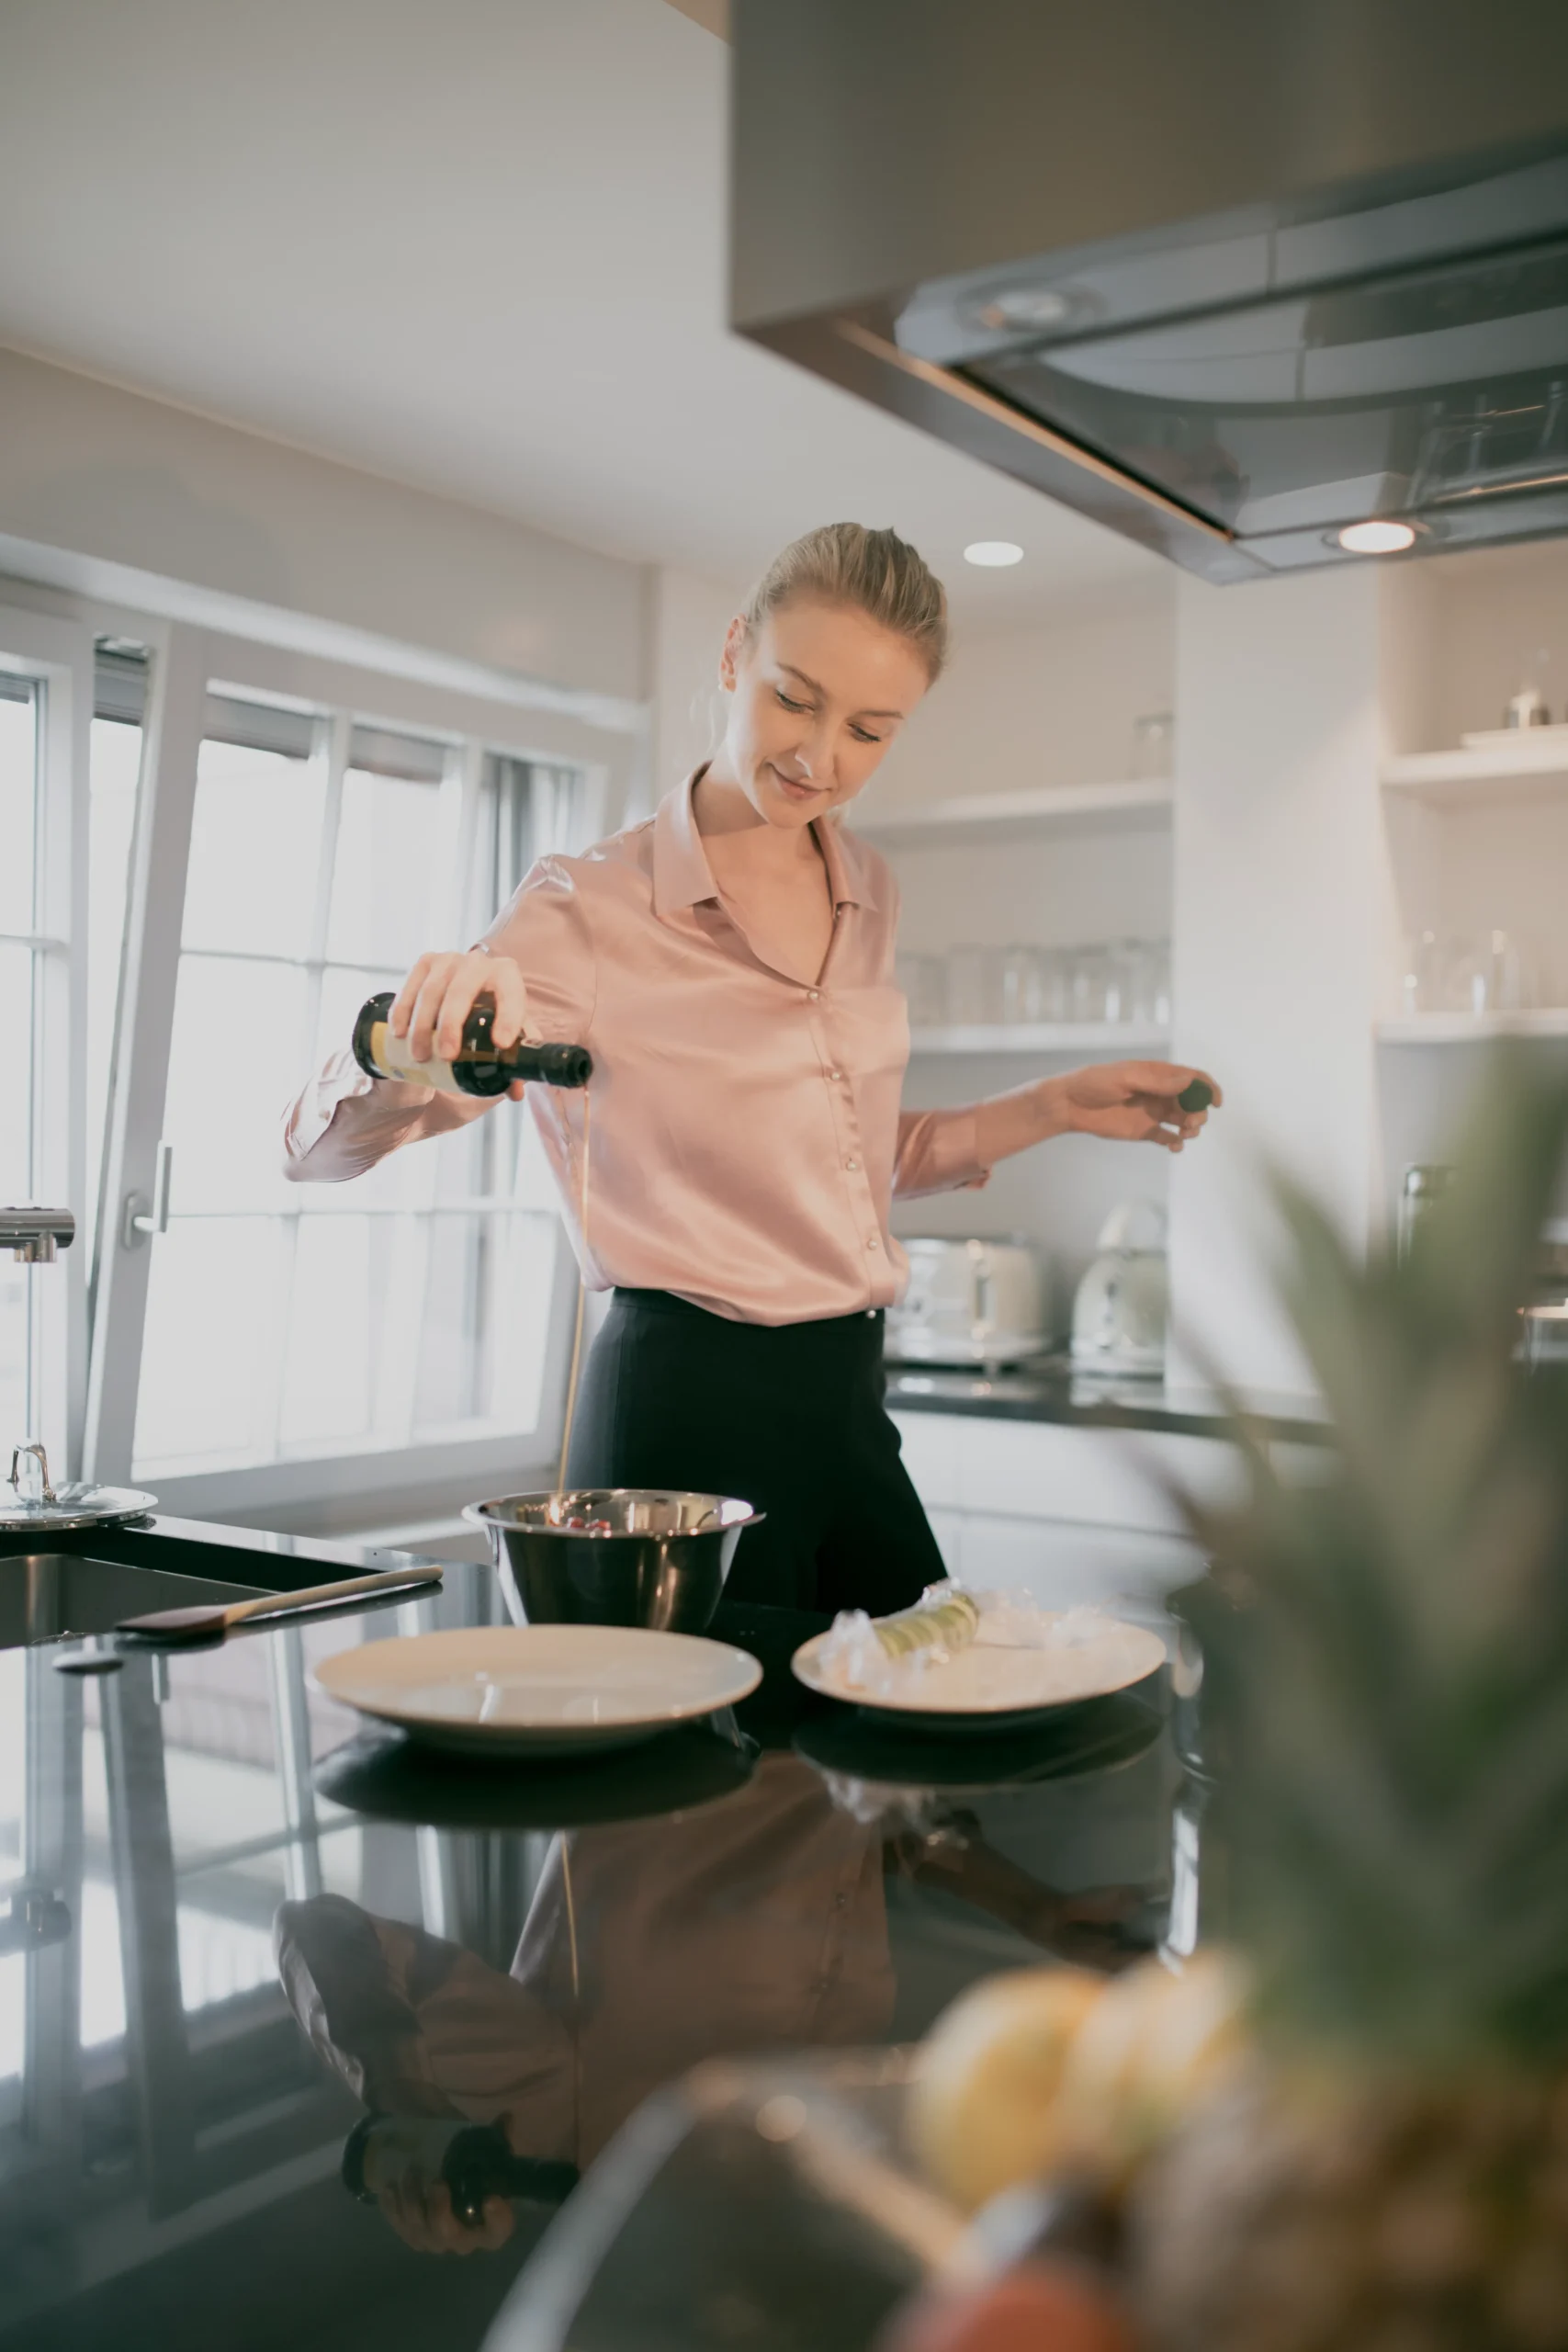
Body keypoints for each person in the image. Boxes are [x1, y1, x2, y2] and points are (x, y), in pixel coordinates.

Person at [283, 523, 1219, 1615]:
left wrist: (1055, 1103)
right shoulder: (590, 905)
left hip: (848, 1402)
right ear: (735, 655)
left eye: (869, 730)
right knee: (716, 1726)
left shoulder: (866, 886)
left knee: (918, 1704)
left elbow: (841, 1166)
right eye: (794, 699)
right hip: (683, 1408)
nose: (821, 757)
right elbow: (320, 1155)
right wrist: (396, 1041)